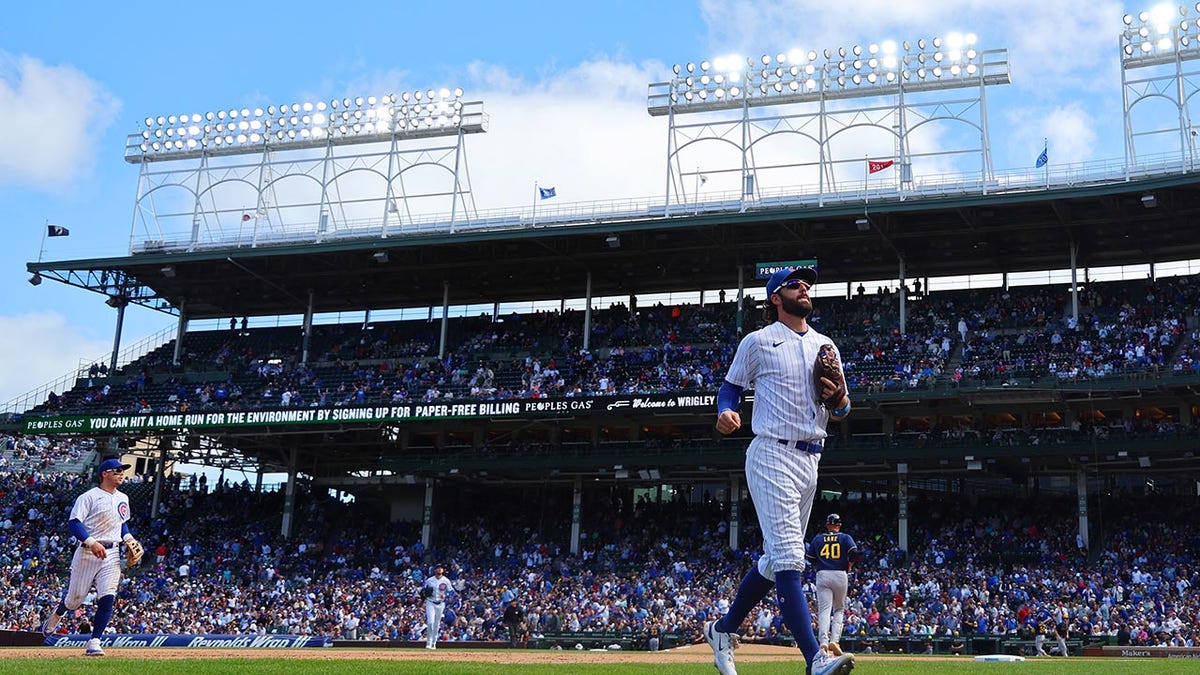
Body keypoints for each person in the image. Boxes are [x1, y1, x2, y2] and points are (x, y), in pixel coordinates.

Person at [705, 266, 855, 675]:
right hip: (772, 451)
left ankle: (723, 630)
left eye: (806, 284)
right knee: (790, 555)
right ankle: (815, 660)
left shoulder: (827, 344)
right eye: (794, 284)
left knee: (776, 560)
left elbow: (842, 410)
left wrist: (840, 400)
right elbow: (731, 386)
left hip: (812, 456)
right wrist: (726, 410)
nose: (804, 288)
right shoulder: (758, 341)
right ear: (776, 297)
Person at [41, 458, 142, 656]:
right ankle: (59, 612)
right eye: (117, 471)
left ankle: (94, 642)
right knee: (75, 601)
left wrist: (129, 538)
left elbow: (122, 523)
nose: (122, 474)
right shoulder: (89, 496)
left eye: (123, 471)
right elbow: (74, 523)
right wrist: (91, 542)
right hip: (87, 552)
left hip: (112, 552)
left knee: (108, 596)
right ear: (105, 473)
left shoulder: (123, 497)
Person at [806, 513, 858, 653]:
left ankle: (823, 642)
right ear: (839, 525)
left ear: (827, 525)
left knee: (824, 610)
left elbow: (810, 557)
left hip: (822, 573)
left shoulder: (818, 538)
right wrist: (850, 564)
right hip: (840, 573)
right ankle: (834, 641)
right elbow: (854, 551)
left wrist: (820, 564)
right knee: (839, 609)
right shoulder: (845, 537)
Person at [421, 564, 452, 649]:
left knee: (436, 624)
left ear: (443, 570)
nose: (439, 569)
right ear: (435, 570)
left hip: (441, 604)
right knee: (430, 623)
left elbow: (451, 592)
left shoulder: (446, 580)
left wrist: (446, 596)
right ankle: (428, 642)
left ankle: (434, 643)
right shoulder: (429, 580)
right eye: (437, 568)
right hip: (430, 602)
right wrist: (424, 594)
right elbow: (423, 590)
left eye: (441, 568)